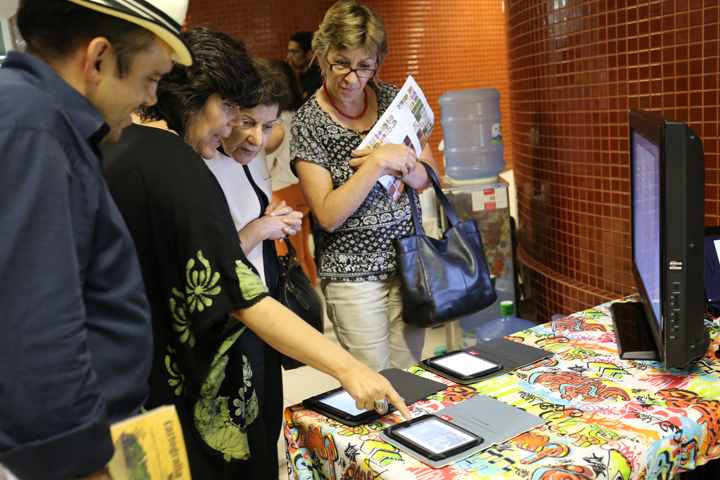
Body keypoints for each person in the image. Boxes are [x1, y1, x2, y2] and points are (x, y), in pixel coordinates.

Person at [101, 27, 410, 480]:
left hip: (131, 383)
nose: (232, 126)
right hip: (192, 386)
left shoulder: (117, 147)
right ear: (192, 94)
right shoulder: (177, 167)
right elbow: (241, 295)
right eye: (228, 108)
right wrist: (347, 368)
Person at [0, 1, 191, 479]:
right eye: (151, 77)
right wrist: (83, 465)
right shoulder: (31, 125)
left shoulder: (42, 118)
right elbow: (36, 325)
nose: (150, 98)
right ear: (99, 59)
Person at [291, 0, 441, 372]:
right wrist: (374, 164)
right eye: (340, 62)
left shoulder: (393, 100)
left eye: (365, 66)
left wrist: (398, 160)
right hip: (353, 277)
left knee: (409, 379)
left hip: (409, 263)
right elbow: (326, 215)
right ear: (322, 53)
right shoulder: (308, 122)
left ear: (378, 61)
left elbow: (427, 177)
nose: (352, 78)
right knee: (374, 386)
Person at [265, 59, 318, 285]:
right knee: (304, 251)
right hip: (304, 190)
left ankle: (300, 304)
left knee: (287, 254)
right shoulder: (300, 115)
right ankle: (313, 298)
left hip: (283, 192)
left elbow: (265, 164)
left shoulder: (274, 123)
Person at [287, 31, 323, 103]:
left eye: (294, 52)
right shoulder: (300, 76)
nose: (288, 57)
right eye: (288, 52)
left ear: (309, 54)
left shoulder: (319, 76)